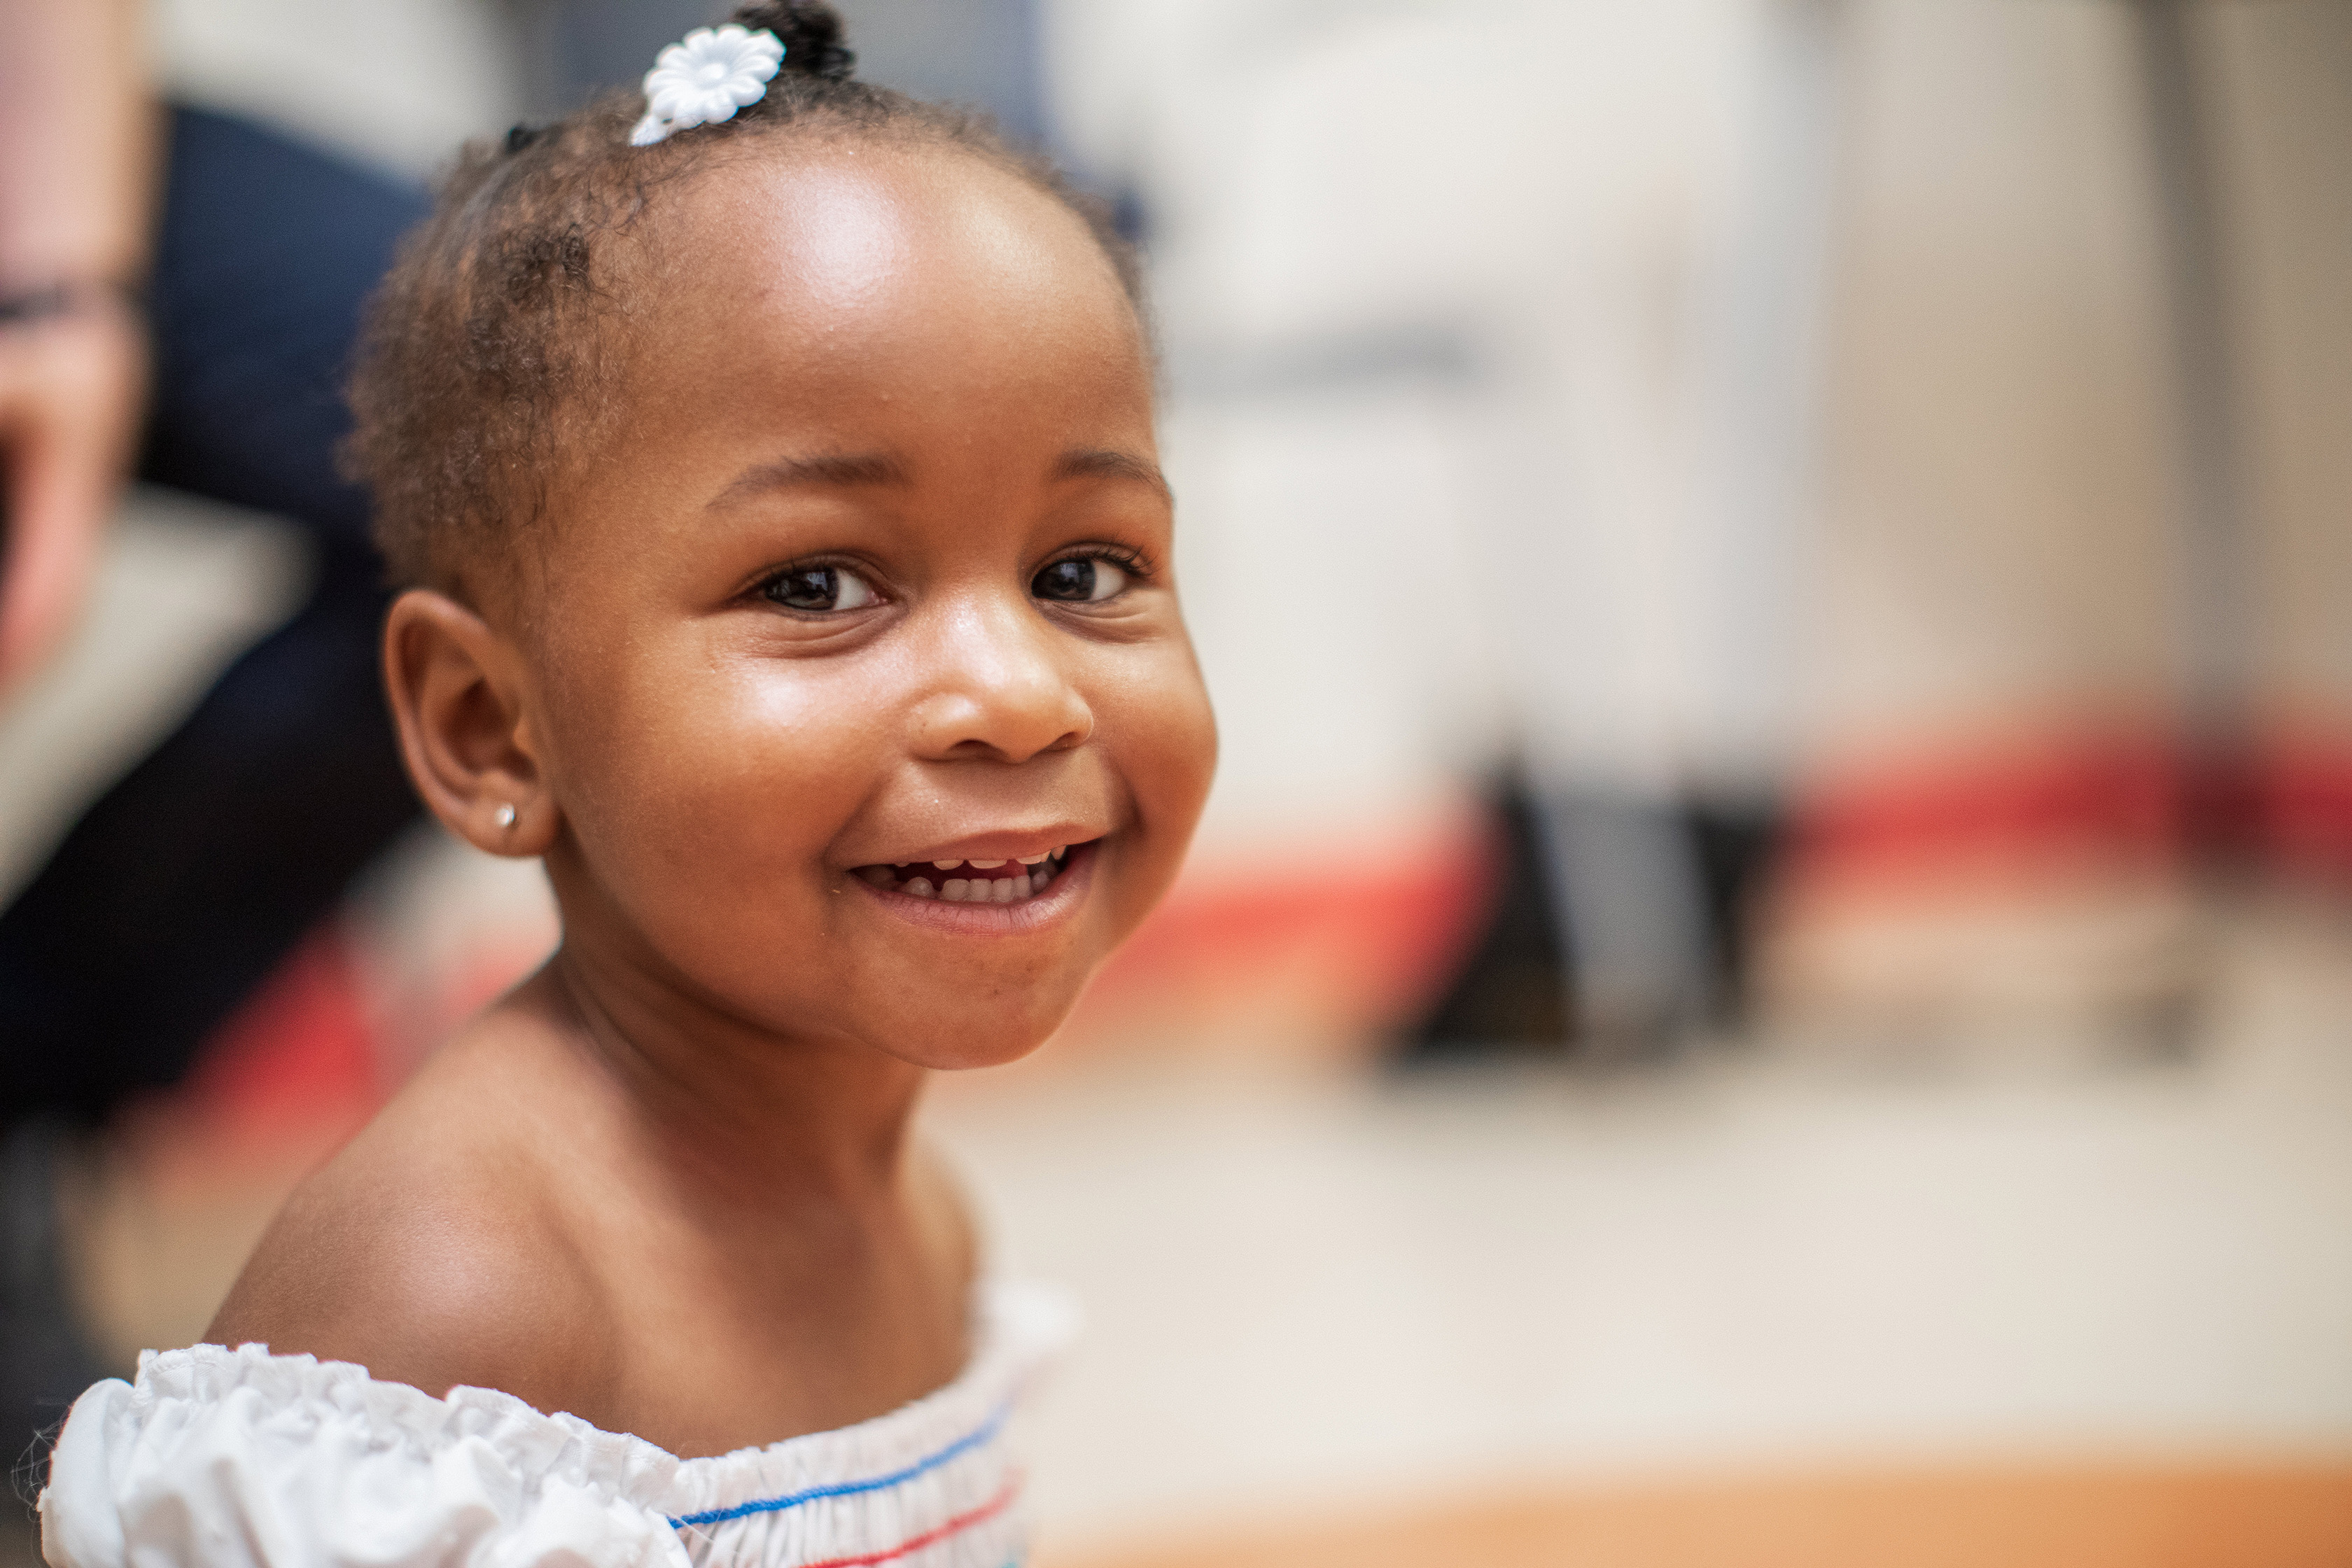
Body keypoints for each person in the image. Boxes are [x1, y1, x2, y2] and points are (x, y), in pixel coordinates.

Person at [35, 3, 1217, 1561]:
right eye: (815, 586)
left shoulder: (923, 1218)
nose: (1015, 691)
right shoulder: (453, 1307)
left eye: (1084, 565)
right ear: (489, 730)